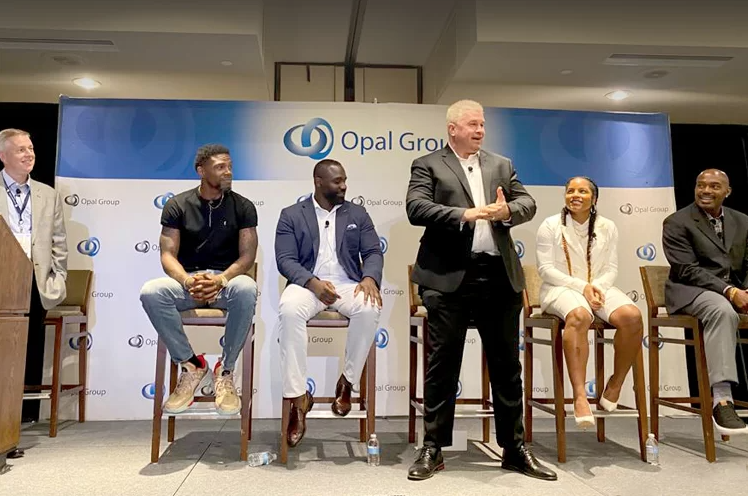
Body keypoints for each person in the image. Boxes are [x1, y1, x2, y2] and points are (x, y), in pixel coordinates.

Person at [405, 100, 556, 481]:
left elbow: (527, 203)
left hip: (498, 274)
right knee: (443, 365)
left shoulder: (501, 164)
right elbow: (415, 208)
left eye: (483, 125)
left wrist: (507, 213)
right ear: (452, 128)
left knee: (507, 365)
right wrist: (464, 214)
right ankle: (433, 448)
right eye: (473, 124)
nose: (480, 131)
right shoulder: (428, 164)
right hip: (448, 277)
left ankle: (514, 448)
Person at [139, 144, 258, 416]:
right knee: (151, 292)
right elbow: (167, 254)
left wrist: (222, 279)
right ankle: (191, 364)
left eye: (229, 166)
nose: (228, 172)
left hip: (226, 283)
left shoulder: (243, 206)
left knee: (247, 288)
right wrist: (187, 281)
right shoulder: (177, 205)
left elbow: (247, 256)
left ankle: (225, 371)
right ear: (201, 171)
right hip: (188, 282)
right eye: (220, 167)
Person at [275, 158, 383, 448]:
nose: (344, 186)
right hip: (307, 284)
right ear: (319, 182)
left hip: (348, 283)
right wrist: (314, 285)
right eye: (337, 181)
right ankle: (298, 399)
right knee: (289, 310)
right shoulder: (291, 214)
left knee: (370, 307)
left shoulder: (357, 214)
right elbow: (285, 260)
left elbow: (373, 251)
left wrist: (370, 278)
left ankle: (347, 382)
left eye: (345, 180)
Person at [535, 176, 644, 428]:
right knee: (580, 315)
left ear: (593, 199)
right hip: (559, 289)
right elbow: (546, 270)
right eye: (570, 191)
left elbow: (612, 267)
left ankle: (615, 384)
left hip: (598, 287)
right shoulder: (550, 225)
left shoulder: (607, 226)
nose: (575, 195)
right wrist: (582, 287)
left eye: (582, 191)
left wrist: (597, 287)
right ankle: (580, 396)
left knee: (632, 316)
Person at [662, 168, 748, 434]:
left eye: (713, 186)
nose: (706, 191)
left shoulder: (742, 220)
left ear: (727, 191)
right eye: (701, 185)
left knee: (726, 306)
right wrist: (729, 291)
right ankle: (722, 399)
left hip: (733, 290)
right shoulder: (677, 221)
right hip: (691, 291)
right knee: (723, 311)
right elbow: (687, 269)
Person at [0, 128, 68, 460]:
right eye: (20, 150)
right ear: (3, 156)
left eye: (31, 148)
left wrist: (57, 278)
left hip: (34, 283)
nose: (29, 154)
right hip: (2, 277)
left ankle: (9, 434)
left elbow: (59, 242)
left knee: (18, 359)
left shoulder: (47, 194)